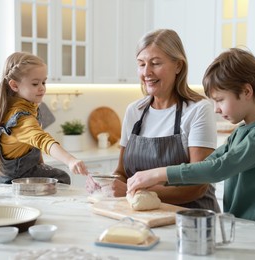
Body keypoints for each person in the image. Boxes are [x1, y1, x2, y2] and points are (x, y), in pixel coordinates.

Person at [127, 48, 255, 228]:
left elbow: (218, 169)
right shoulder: (242, 131)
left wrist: (157, 174)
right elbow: (207, 165)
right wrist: (158, 181)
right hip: (244, 229)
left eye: (220, 100)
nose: (216, 109)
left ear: (247, 91)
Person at [86, 29, 220, 211]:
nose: (146, 72)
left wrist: (131, 190)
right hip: (142, 215)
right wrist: (108, 183)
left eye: (155, 63)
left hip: (191, 217)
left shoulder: (198, 110)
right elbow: (122, 172)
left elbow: (197, 185)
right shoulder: (135, 111)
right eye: (141, 64)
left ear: (178, 66)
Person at [0, 52, 88, 184]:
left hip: (4, 175)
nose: (42, 88)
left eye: (43, 82)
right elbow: (43, 140)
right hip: (17, 176)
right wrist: (70, 160)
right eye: (35, 84)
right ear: (14, 85)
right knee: (61, 178)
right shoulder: (21, 119)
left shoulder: (14, 109)